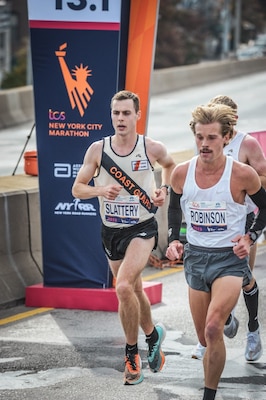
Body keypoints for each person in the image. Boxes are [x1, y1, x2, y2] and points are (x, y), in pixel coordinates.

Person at [72, 90, 175, 385]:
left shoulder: (150, 148)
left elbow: (169, 166)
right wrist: (99, 191)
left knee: (124, 287)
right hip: (111, 230)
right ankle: (153, 335)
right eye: (116, 113)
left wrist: (163, 190)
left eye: (126, 113)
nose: (120, 119)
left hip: (141, 228)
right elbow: (77, 189)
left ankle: (132, 356)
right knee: (134, 290)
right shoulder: (97, 150)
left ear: (137, 116)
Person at [165, 104, 266, 400]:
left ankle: (209, 395)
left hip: (229, 261)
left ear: (226, 137)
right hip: (196, 258)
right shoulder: (182, 173)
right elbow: (173, 208)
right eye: (199, 137)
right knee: (204, 338)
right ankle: (229, 321)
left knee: (211, 329)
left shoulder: (242, 174)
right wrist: (174, 239)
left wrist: (250, 236)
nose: (204, 144)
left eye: (211, 138)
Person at [191, 95, 266, 361]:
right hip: (213, 221)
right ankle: (216, 328)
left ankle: (253, 331)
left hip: (243, 219)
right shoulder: (206, 139)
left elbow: (263, 178)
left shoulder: (247, 143)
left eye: (230, 117)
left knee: (244, 276)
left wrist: (240, 177)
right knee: (206, 279)